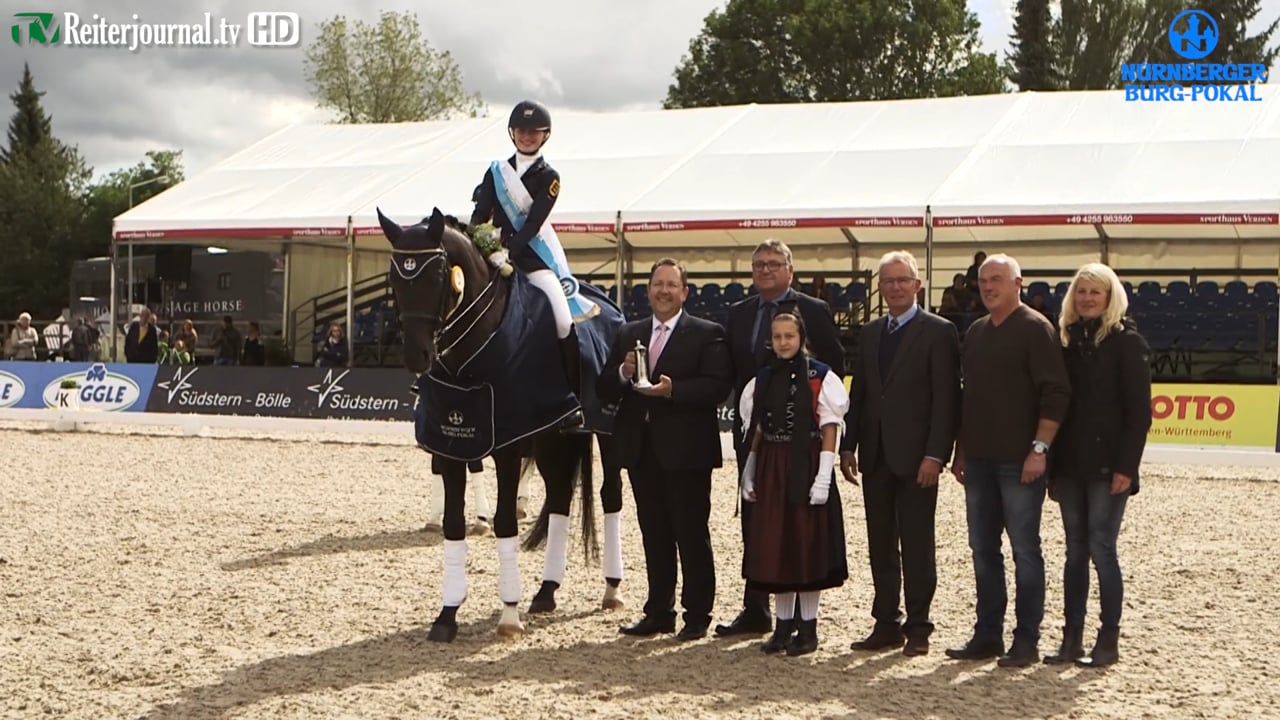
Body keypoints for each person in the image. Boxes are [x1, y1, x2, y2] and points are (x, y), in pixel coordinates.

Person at [597, 258, 732, 642]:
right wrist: (623, 373)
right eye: (658, 284)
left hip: (687, 452)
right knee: (653, 533)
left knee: (691, 533)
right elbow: (605, 387)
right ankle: (659, 611)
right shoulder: (629, 332)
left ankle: (697, 614)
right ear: (648, 289)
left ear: (684, 292)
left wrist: (675, 391)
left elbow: (717, 386)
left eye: (672, 285)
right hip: (641, 450)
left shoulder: (707, 333)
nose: (664, 291)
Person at [946, 254, 1071, 668]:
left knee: (1025, 550)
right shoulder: (977, 332)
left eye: (997, 279)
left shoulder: (1036, 329)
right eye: (983, 280)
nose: (988, 286)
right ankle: (987, 633)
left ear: (1018, 283)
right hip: (979, 459)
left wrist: (1040, 449)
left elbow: (1055, 392)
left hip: (1019, 461)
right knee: (983, 549)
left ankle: (1027, 637)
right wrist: (961, 449)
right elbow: (968, 397)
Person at [717, 239, 845, 638]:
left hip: (803, 445)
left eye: (774, 264)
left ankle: (804, 623)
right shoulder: (738, 313)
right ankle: (757, 607)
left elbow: (832, 369)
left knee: (802, 529)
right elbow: (733, 374)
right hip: (759, 438)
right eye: (758, 264)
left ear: (790, 269)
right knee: (761, 525)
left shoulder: (814, 311)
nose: (765, 270)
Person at [841, 251, 961, 657]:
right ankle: (886, 621)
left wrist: (936, 455)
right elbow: (861, 394)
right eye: (887, 281)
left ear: (917, 285)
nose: (894, 287)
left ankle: (920, 624)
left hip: (917, 459)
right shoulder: (872, 331)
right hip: (875, 455)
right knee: (880, 543)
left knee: (917, 543)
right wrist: (848, 444)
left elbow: (947, 400)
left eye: (901, 280)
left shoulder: (939, 332)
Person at [1044, 263, 1152, 668]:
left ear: (1111, 297)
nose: (1087, 298)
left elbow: (1139, 413)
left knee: (1102, 549)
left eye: (1095, 292)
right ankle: (1071, 638)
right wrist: (1053, 466)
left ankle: (1108, 639)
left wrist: (1127, 466)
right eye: (1082, 291)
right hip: (1070, 466)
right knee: (1074, 551)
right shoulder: (1065, 343)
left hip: (1110, 466)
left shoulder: (1128, 343)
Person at [471, 99, 593, 427]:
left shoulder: (549, 176)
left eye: (534, 132)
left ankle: (571, 399)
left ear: (545, 135)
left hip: (532, 259)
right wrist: (483, 245)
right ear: (512, 133)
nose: (527, 136)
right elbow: (479, 216)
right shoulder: (495, 172)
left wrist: (508, 249)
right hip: (493, 258)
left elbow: (533, 224)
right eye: (522, 131)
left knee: (563, 320)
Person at [737, 312, 848, 656]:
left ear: (801, 337)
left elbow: (831, 426)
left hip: (807, 461)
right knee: (777, 546)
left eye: (790, 336)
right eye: (778, 336)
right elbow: (757, 428)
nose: (784, 342)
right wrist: (750, 470)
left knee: (806, 546)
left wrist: (824, 478)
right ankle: (783, 628)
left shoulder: (820, 376)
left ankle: (808, 629)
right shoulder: (764, 378)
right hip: (773, 465)